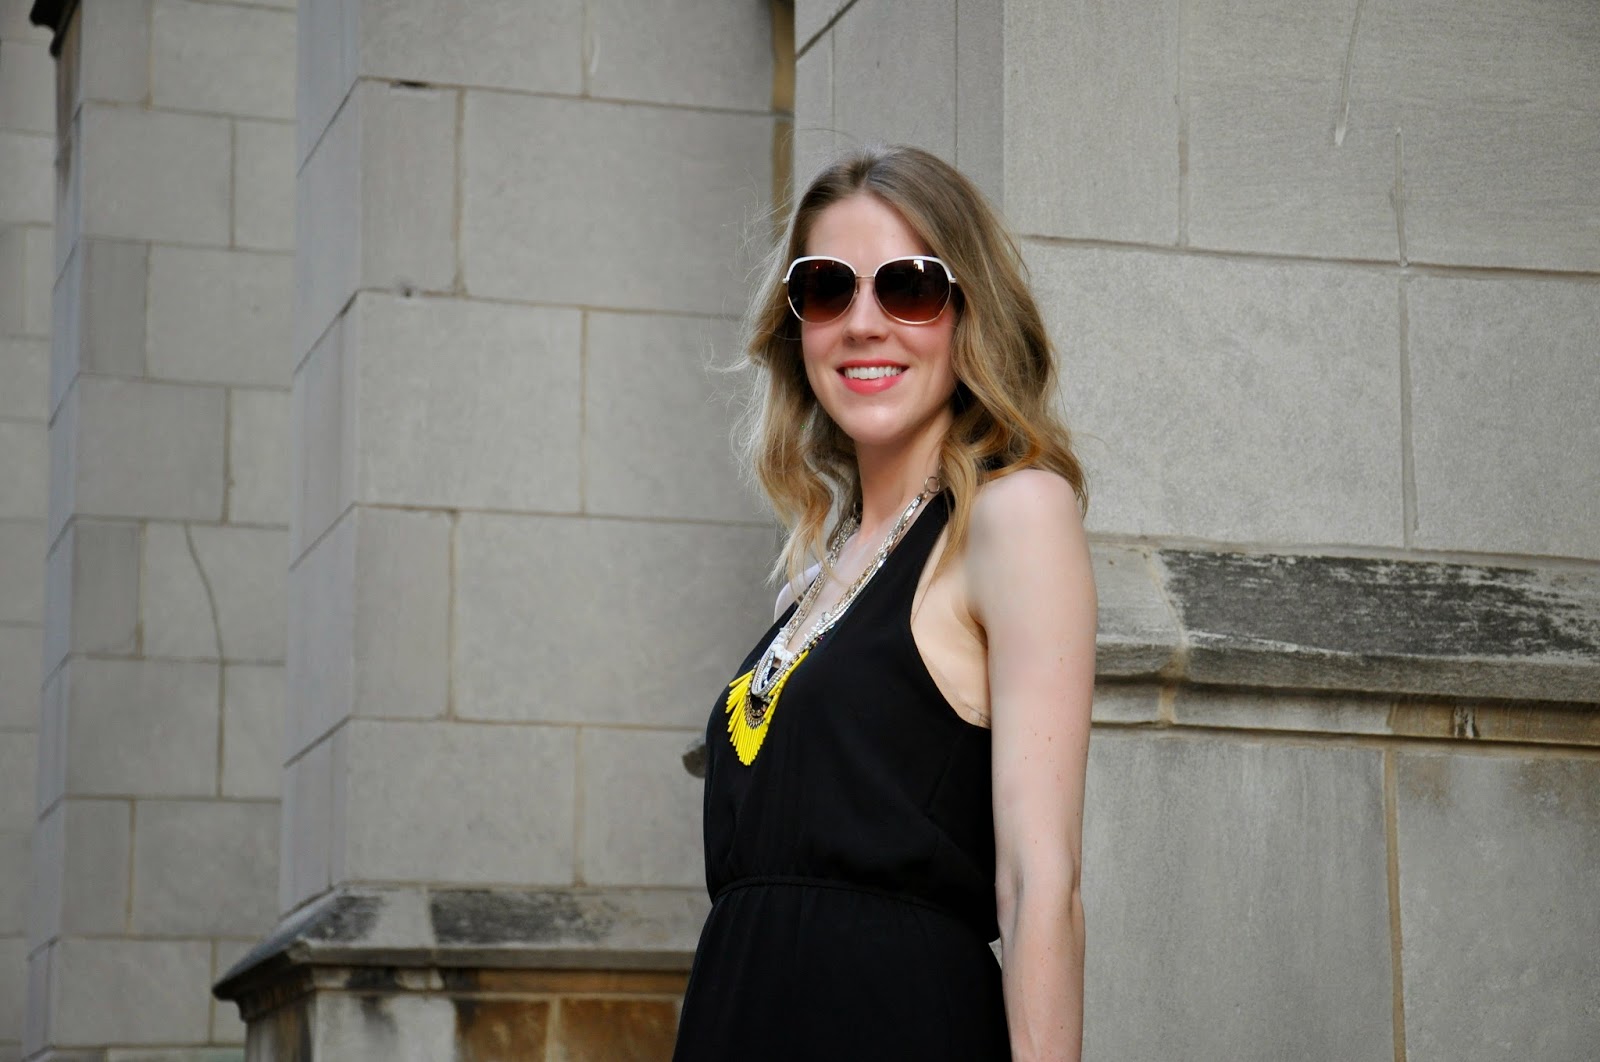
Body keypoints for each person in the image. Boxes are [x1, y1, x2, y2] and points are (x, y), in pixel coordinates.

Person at [672, 145, 1097, 1062]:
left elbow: (1040, 881)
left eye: (909, 287)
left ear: (969, 313)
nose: (864, 324)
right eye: (827, 289)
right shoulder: (810, 580)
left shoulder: (1014, 515)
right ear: (796, 327)